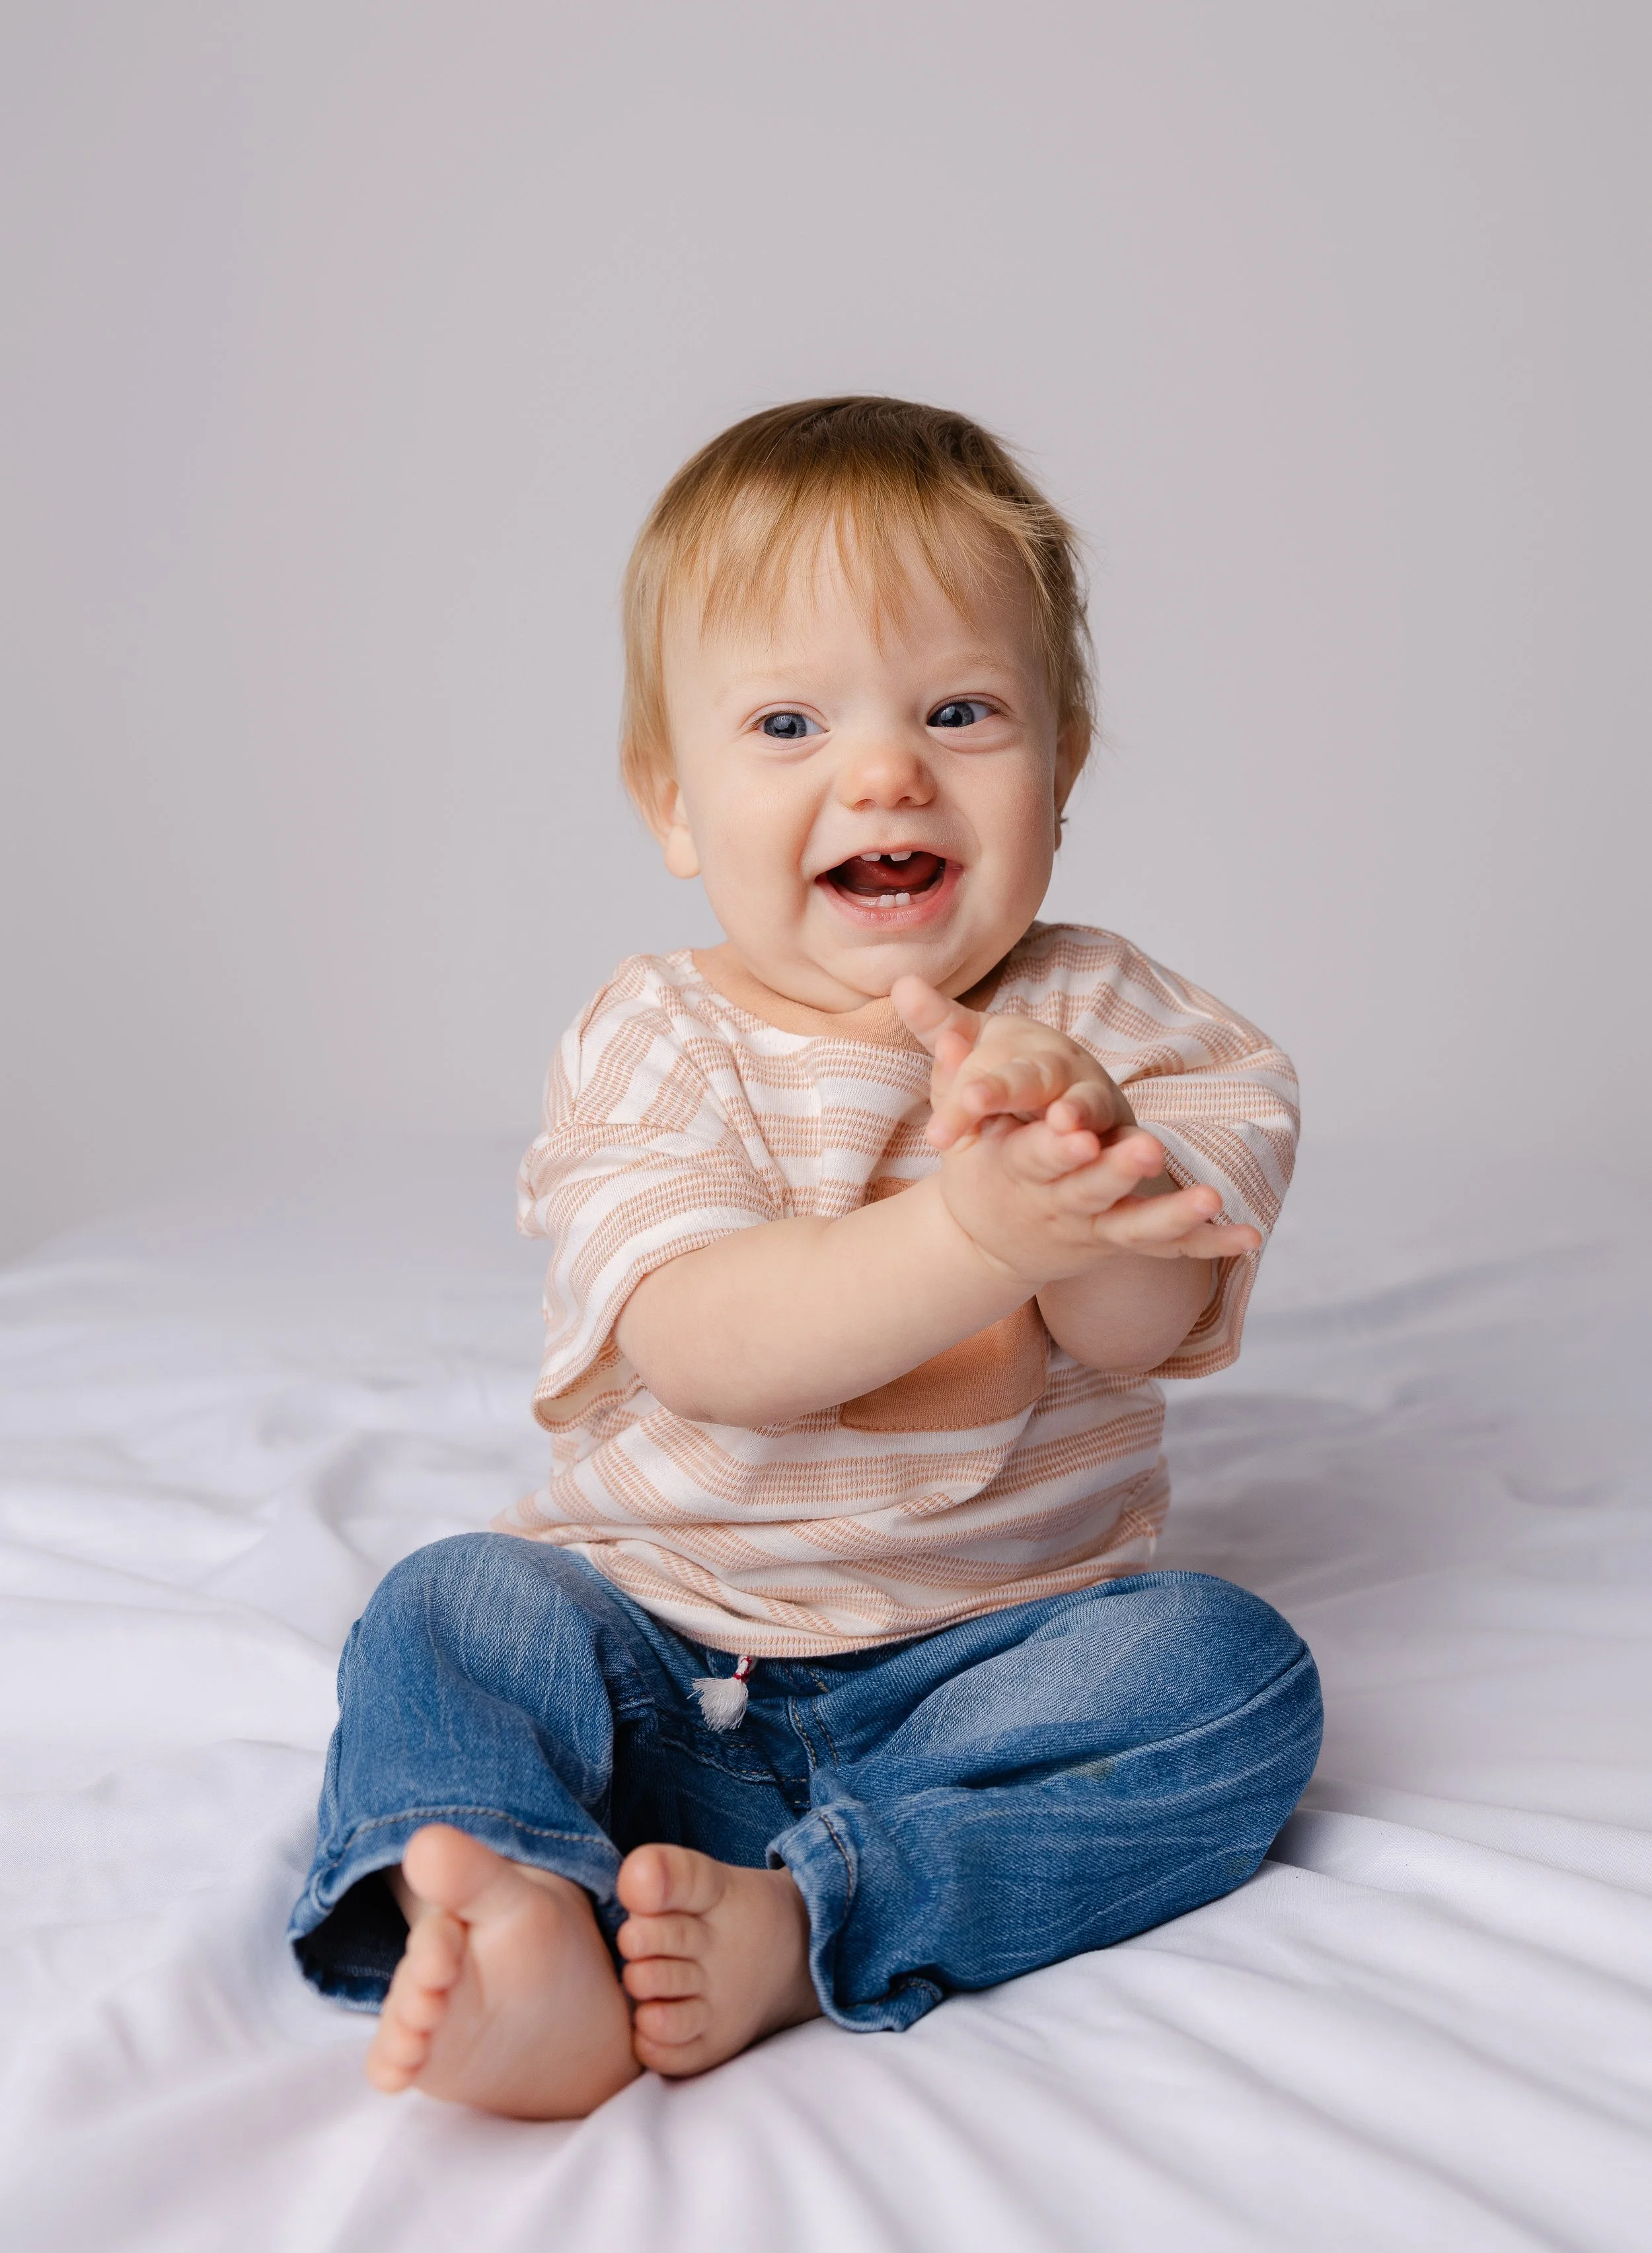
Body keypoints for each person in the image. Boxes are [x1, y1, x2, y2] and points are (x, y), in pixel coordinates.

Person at [287, 396, 1322, 2119]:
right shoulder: (657, 1041)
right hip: (668, 1651)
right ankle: (526, 1921)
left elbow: (1141, 1328)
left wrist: (1071, 1186)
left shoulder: (1134, 1031)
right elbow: (703, 1343)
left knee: (1227, 1680)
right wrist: (965, 1232)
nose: (882, 772)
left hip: (993, 1672)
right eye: (786, 721)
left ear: (1057, 772)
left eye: (959, 711)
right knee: (455, 1610)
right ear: (671, 802)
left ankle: (815, 1914)